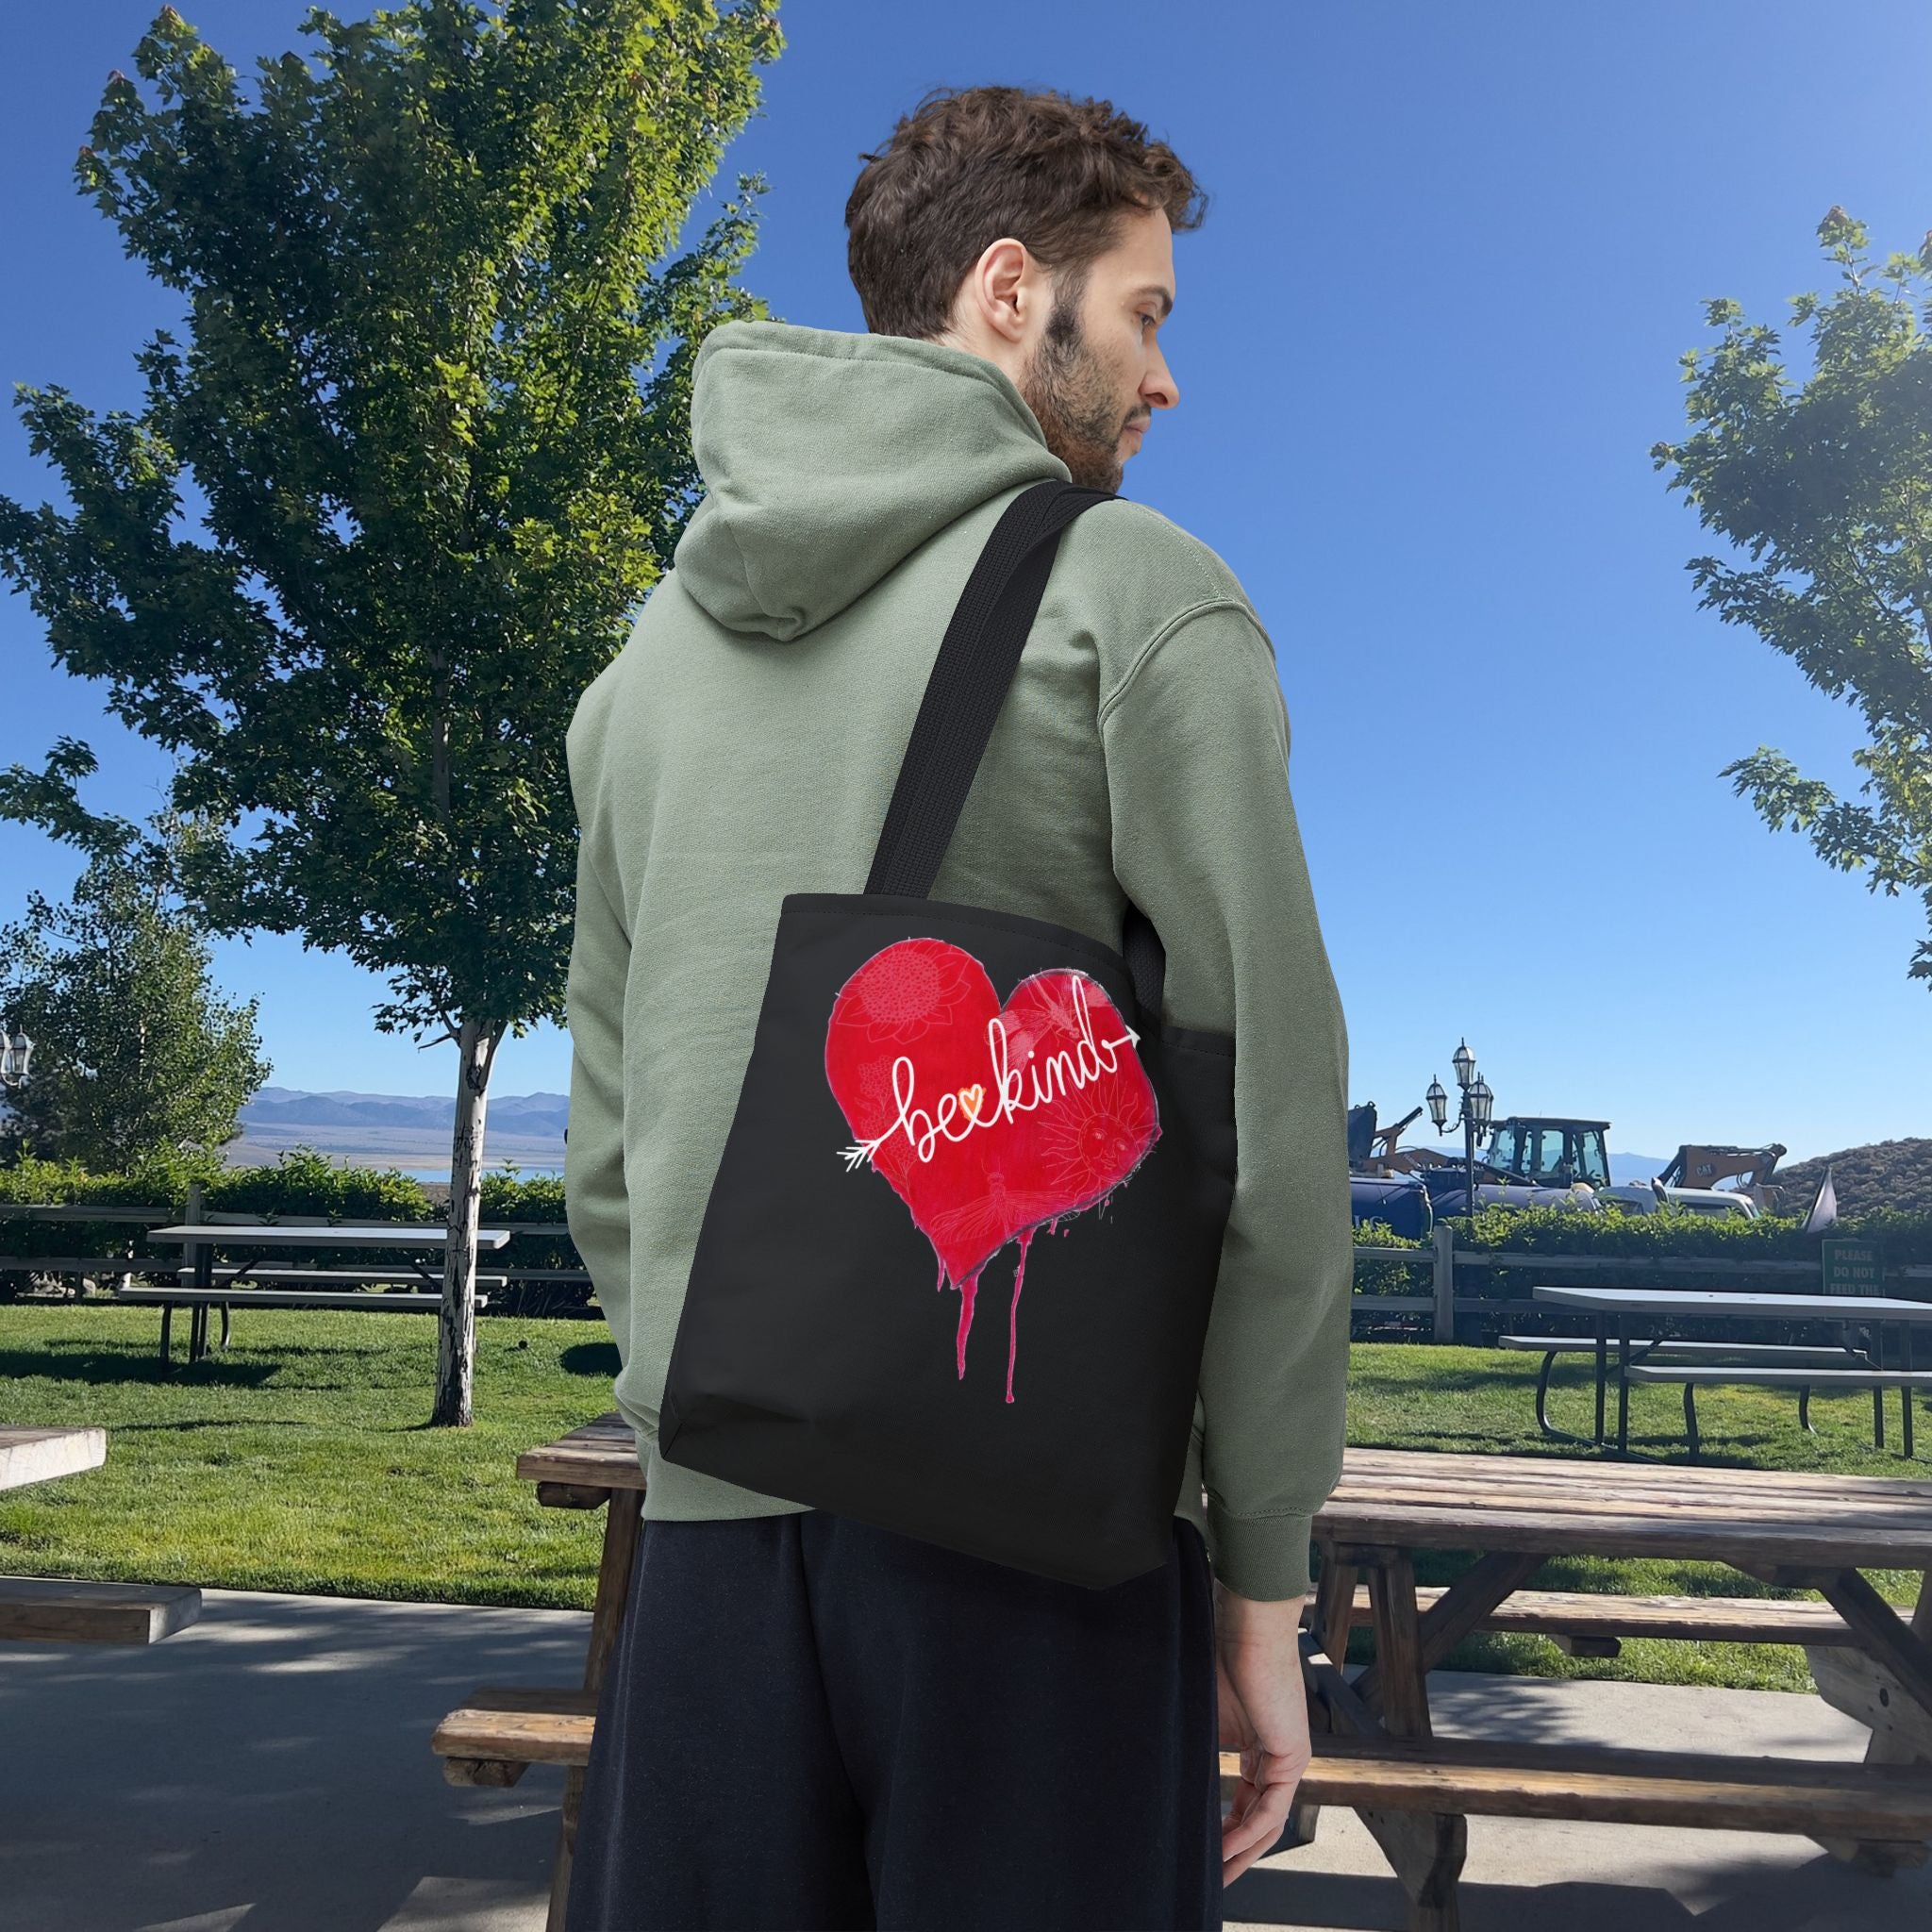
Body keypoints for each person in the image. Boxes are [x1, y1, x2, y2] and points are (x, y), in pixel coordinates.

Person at [561, 83, 1353, 1932]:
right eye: (1146, 313)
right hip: (1038, 1546)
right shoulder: (1134, 601)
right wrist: (1261, 1580)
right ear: (1012, 292)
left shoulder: (643, 671)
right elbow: (1269, 1131)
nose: (1165, 380)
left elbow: (610, 1144)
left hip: (703, 1543)